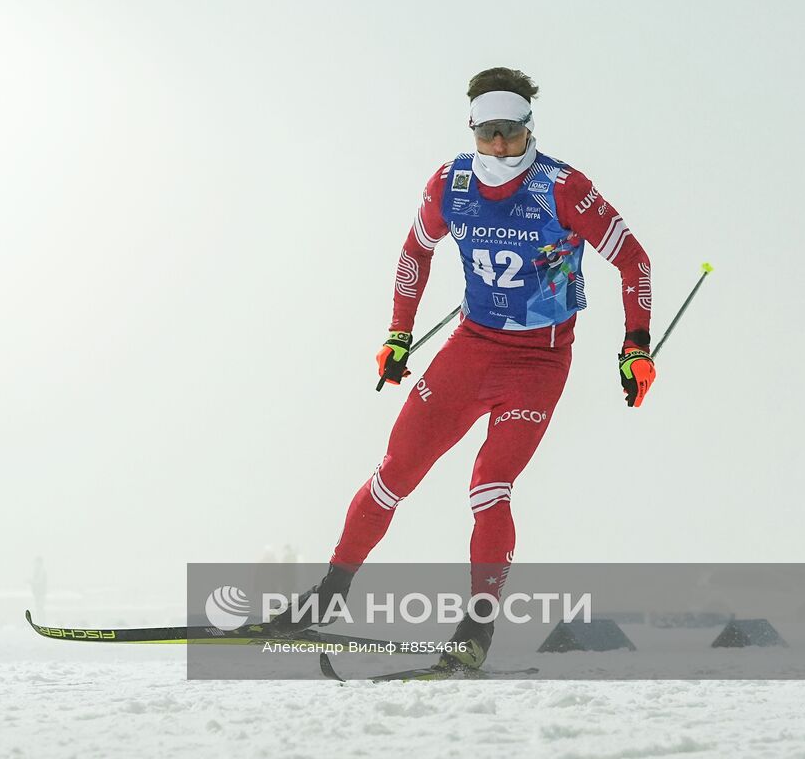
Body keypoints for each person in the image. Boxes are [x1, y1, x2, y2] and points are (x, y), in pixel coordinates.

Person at [271, 68, 655, 671]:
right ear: (472, 129)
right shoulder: (450, 182)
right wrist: (398, 335)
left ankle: (474, 633)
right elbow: (415, 252)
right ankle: (328, 595)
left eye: (511, 133)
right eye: (488, 134)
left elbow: (634, 261)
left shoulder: (562, 187)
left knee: (489, 485)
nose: (499, 147)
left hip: (539, 360)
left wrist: (635, 347)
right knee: (395, 470)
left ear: (529, 129)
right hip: (471, 347)